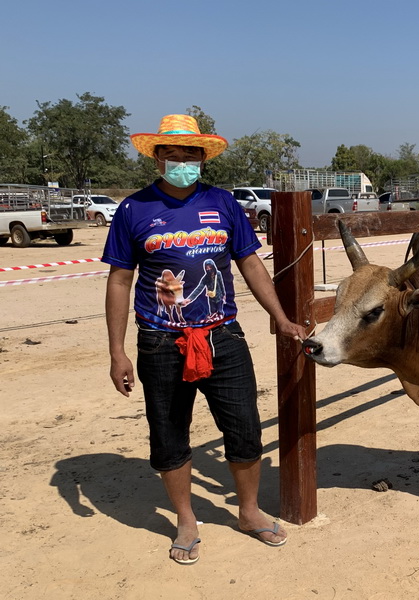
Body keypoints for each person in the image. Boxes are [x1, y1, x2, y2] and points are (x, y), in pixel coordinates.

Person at [103, 114, 306, 565]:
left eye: (190, 153)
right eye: (171, 153)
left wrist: (281, 318)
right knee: (169, 436)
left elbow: (250, 263)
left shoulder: (225, 203)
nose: (181, 161)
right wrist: (117, 352)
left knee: (244, 428)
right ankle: (186, 521)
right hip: (160, 342)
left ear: (202, 158)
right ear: (156, 158)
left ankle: (249, 512)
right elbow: (120, 280)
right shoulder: (134, 210)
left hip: (223, 336)